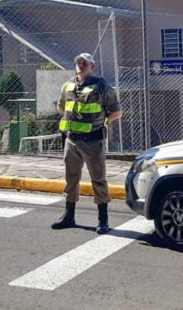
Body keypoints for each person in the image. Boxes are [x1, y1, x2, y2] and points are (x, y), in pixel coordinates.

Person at [52, 53, 123, 234]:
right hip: (71, 140)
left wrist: (98, 123)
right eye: (79, 63)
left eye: (85, 63)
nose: (81, 65)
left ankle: (103, 220)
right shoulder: (68, 85)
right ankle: (69, 216)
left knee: (98, 180)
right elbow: (60, 107)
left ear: (92, 66)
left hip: (93, 140)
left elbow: (116, 112)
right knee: (71, 179)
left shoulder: (102, 86)